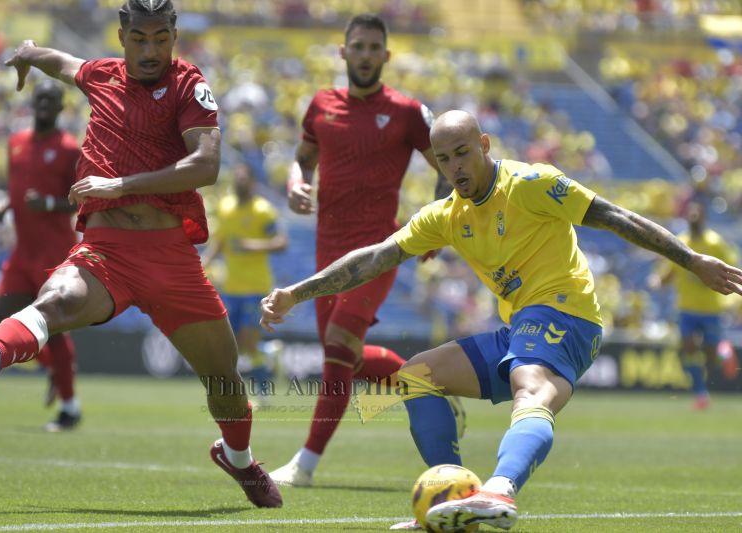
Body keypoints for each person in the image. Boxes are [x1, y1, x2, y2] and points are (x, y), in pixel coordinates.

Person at [261, 110, 742, 530]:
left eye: (463, 153)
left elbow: (615, 216)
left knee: (529, 388)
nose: (454, 168)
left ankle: (501, 489)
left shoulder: (532, 184)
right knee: (415, 377)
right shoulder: (445, 215)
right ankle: (454, 499)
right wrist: (297, 293)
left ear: (485, 145)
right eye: (443, 159)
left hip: (568, 314)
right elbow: (375, 258)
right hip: (519, 330)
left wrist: (691, 259)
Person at [0, 0, 281, 508]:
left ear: (174, 33)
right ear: (121, 37)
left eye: (161, 38)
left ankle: (237, 457)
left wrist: (118, 185)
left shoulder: (190, 85)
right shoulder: (102, 75)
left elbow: (206, 164)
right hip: (107, 250)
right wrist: (30, 53)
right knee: (56, 298)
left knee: (223, 378)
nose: (151, 50)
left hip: (169, 254)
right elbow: (65, 64)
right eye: (140, 39)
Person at [269, 12, 451, 488]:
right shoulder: (321, 106)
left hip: (379, 251)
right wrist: (295, 183)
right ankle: (425, 391)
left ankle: (304, 465)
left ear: (386, 56)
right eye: (359, 47)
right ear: (343, 52)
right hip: (326, 252)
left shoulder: (408, 112)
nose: (366, 56)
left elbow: (446, 166)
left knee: (337, 346)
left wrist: (434, 222)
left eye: (375, 48)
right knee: (346, 359)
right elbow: (302, 160)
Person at [0, 79, 83, 432]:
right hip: (22, 252)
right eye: (40, 98)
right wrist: (4, 205)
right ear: (33, 103)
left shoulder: (68, 149)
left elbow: (79, 199)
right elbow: (16, 188)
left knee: (53, 329)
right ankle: (56, 370)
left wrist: (46, 204)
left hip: (54, 255)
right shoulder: (16, 143)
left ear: (60, 108)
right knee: (0, 321)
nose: (44, 103)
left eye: (51, 99)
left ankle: (70, 408)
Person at [203, 162, 288, 402]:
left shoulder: (263, 210)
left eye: (244, 178)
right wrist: (205, 261)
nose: (240, 182)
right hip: (230, 287)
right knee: (234, 345)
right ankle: (268, 354)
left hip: (256, 287)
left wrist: (252, 245)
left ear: (251, 181)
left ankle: (264, 394)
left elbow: (282, 242)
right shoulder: (225, 207)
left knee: (247, 341)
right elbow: (220, 241)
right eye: (236, 178)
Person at [648, 200, 739, 410]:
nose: (693, 218)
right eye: (691, 214)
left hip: (710, 308)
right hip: (687, 308)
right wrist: (658, 281)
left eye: (697, 214)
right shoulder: (681, 242)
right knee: (688, 348)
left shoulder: (715, 243)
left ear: (703, 218)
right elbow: (669, 271)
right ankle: (701, 393)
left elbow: (731, 266)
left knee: (709, 354)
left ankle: (722, 350)